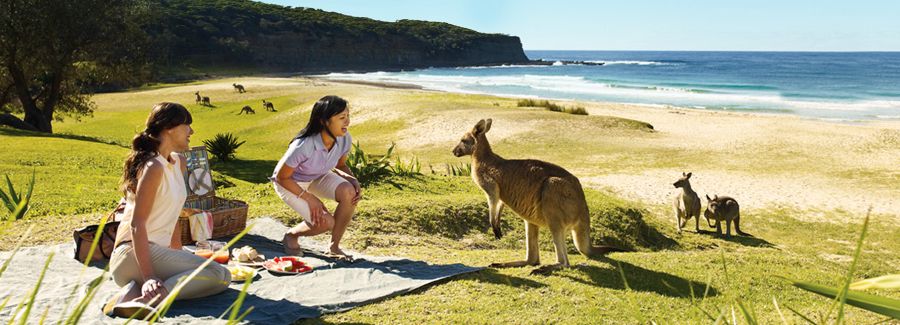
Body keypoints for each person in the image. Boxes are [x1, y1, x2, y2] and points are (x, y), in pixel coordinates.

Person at [106, 102, 230, 318]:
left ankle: (129, 295)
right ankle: (152, 297)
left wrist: (177, 253)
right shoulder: (153, 167)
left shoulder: (178, 162)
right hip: (132, 255)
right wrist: (150, 276)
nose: (192, 131)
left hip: (150, 257)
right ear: (169, 128)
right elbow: (137, 224)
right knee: (219, 274)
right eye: (187, 125)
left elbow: (173, 215)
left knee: (204, 270)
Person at [272, 95, 361, 259]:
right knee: (326, 223)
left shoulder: (344, 138)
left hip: (317, 176)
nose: (347, 122)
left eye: (348, 116)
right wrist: (310, 199)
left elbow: (340, 166)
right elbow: (281, 177)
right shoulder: (303, 145)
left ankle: (334, 247)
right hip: (290, 182)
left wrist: (352, 179)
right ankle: (291, 235)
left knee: (350, 192)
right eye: (342, 118)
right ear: (323, 121)